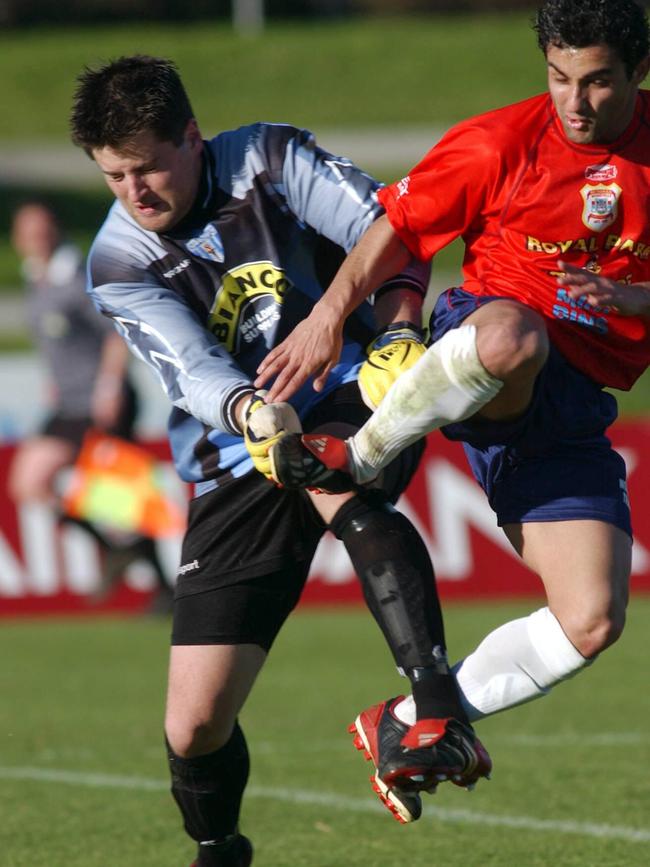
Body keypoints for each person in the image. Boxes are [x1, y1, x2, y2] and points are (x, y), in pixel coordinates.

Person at [69, 55, 492, 866]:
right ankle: (218, 847)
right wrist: (260, 416)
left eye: (149, 165)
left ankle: (435, 709)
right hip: (240, 445)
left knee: (334, 475)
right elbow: (191, 369)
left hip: (357, 385)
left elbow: (394, 227)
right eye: (115, 175)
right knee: (193, 723)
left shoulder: (268, 159)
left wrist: (399, 333)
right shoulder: (117, 262)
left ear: (192, 137)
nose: (136, 191)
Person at [257, 0, 650, 800]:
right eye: (559, 77)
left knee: (592, 620)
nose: (575, 101)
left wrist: (634, 299)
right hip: (484, 347)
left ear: (638, 72)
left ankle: (411, 718)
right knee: (516, 337)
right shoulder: (500, 141)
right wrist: (331, 316)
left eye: (599, 81)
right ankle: (363, 452)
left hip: (571, 413)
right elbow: (399, 227)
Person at [8, 201, 171, 609]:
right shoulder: (37, 278)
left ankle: (165, 590)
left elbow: (115, 330)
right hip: (68, 402)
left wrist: (109, 384)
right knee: (28, 483)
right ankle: (116, 551)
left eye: (42, 228)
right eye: (28, 231)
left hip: (103, 399)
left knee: (122, 498)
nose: (36, 238)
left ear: (55, 230)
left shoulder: (76, 274)